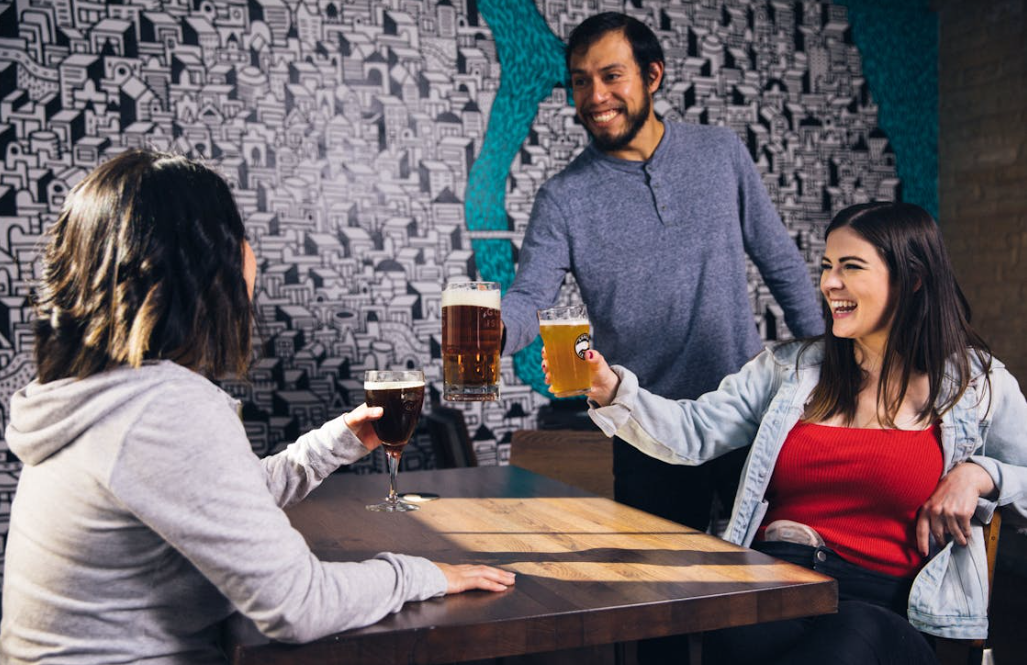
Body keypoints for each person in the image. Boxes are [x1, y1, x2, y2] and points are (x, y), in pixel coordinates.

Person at [0, 150, 515, 665]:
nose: (250, 253)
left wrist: (334, 444)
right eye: (236, 234)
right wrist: (424, 575)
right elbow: (300, 606)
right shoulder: (163, 409)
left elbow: (219, 500)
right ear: (200, 262)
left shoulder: (105, 393)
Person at [552, 201, 1027, 664]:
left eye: (851, 266)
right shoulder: (789, 369)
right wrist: (611, 390)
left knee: (852, 632)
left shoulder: (975, 385)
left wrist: (981, 475)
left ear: (913, 279)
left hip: (885, 608)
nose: (829, 283)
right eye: (827, 266)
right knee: (737, 629)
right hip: (774, 583)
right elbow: (694, 432)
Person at [501, 12, 823, 536]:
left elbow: (781, 262)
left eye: (611, 76)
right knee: (661, 577)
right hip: (643, 422)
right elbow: (531, 296)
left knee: (770, 565)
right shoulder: (562, 197)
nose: (595, 96)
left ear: (652, 76)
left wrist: (833, 366)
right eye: (580, 81)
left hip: (748, 412)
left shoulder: (720, 152)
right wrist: (492, 330)